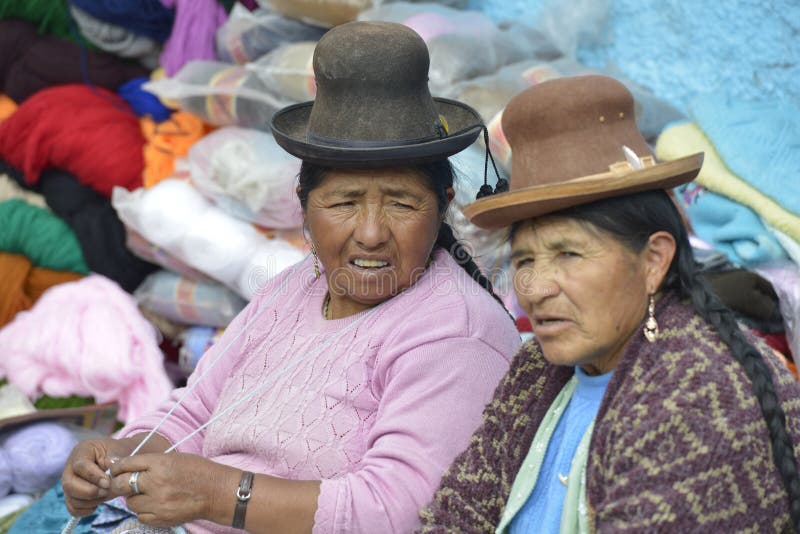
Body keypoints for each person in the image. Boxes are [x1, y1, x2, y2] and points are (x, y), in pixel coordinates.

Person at [16, 22, 521, 534]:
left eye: (402, 203)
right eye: (343, 203)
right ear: (303, 203)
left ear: (443, 206)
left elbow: (398, 509)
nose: (371, 233)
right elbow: (196, 411)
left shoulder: (456, 331)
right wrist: (122, 453)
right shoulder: (294, 286)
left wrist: (215, 493)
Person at [419, 75, 800, 532]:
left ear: (654, 260)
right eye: (524, 259)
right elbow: (456, 514)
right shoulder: (538, 369)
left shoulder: (702, 400)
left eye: (569, 254)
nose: (536, 288)